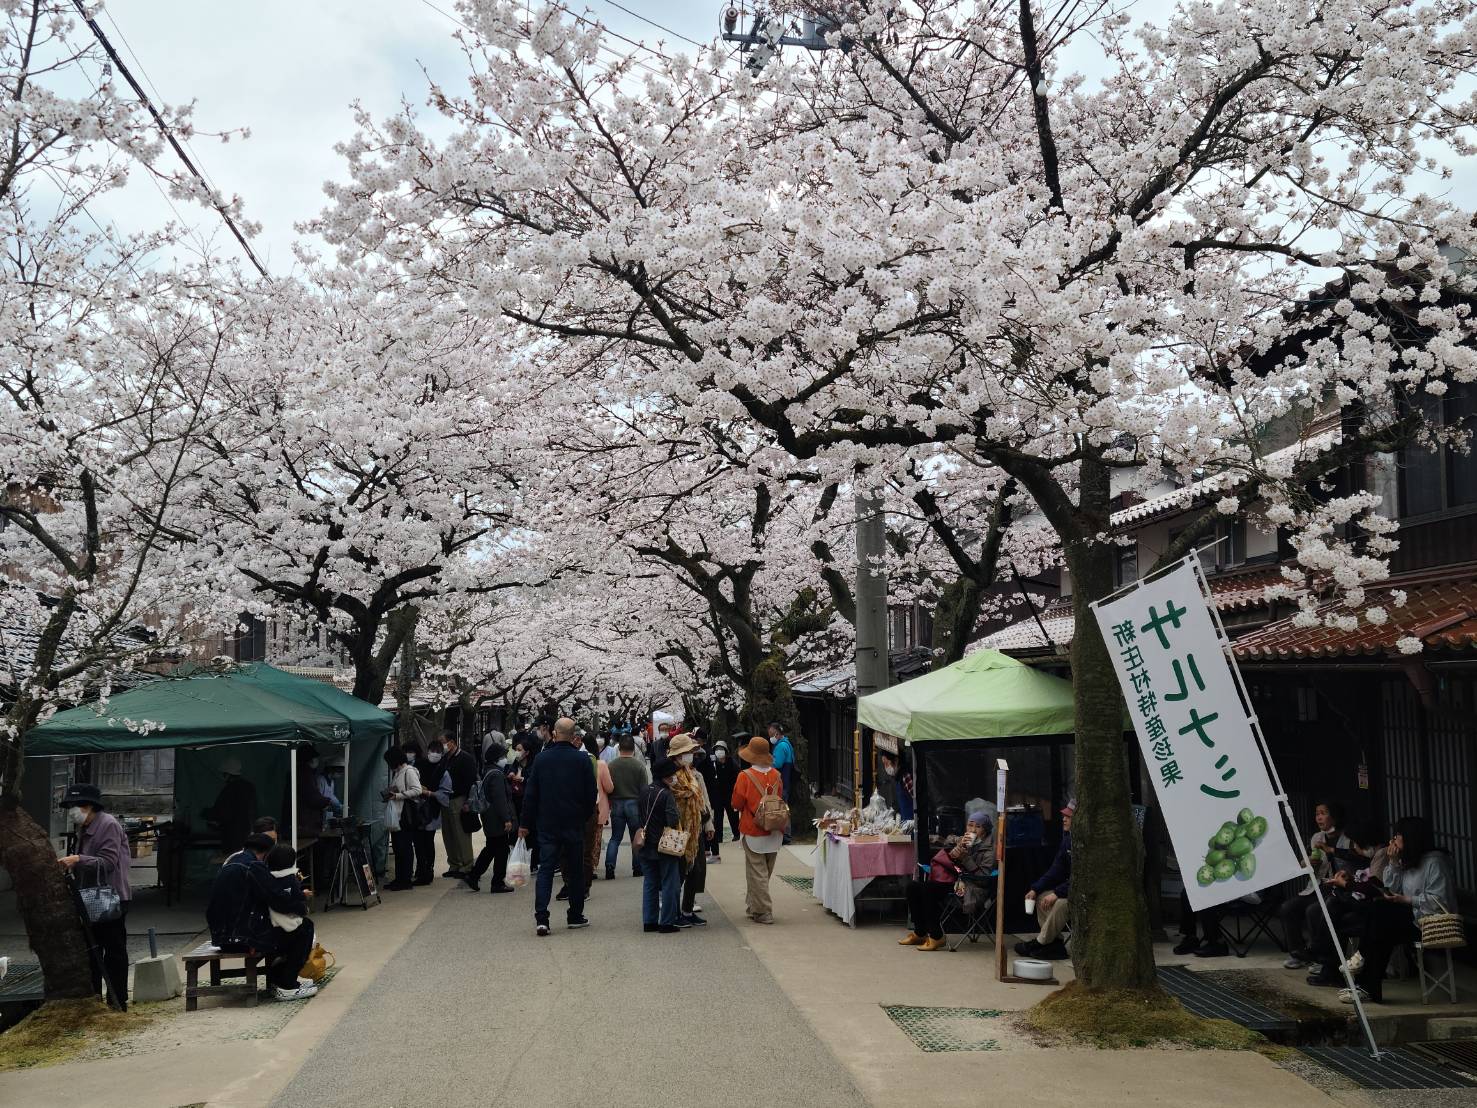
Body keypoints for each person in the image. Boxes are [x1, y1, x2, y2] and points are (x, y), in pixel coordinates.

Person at [1348, 816, 1455, 1004]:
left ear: (1411, 837)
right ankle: (1366, 985)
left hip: (1430, 922)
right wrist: (1393, 863)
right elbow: (1393, 888)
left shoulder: (1435, 862)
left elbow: (1440, 900)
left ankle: (1362, 967)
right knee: (1379, 923)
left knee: (1380, 918)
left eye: (1398, 835)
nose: (1393, 840)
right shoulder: (1408, 860)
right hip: (1411, 917)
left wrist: (1406, 899)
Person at [205, 831, 317, 1001]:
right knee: (305, 928)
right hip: (243, 938)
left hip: (221, 936)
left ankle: (279, 978)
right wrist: (301, 907)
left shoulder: (231, 862)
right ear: (266, 853)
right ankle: (287, 984)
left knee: (286, 929)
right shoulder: (254, 867)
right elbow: (278, 900)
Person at [518, 717, 597, 936]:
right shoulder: (581, 760)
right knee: (575, 869)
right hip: (573, 822)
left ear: (554, 733)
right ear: (574, 736)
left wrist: (525, 823)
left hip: (548, 823)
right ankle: (575, 915)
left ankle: (542, 918)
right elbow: (591, 795)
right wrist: (583, 816)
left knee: (546, 869)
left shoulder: (542, 760)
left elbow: (531, 795)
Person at [56, 784, 132, 1009]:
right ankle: (96, 1002)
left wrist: (78, 859)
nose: (71, 811)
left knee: (113, 951)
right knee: (92, 951)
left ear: (88, 806)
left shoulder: (107, 825)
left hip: (110, 897)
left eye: (74, 806)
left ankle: (117, 1002)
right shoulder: (85, 828)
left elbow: (108, 862)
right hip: (91, 898)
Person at [900, 799, 995, 951]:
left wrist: (966, 859)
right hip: (954, 880)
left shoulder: (989, 851)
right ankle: (920, 932)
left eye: (978, 826)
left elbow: (983, 879)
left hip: (971, 886)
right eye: (970, 825)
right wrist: (956, 848)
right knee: (912, 887)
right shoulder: (966, 840)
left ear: (985, 830)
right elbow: (948, 840)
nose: (973, 829)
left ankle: (937, 936)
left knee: (929, 889)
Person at [1280, 801, 1352, 968]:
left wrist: (1330, 852)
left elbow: (1350, 866)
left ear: (1334, 816)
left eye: (1323, 813)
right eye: (1317, 814)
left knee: (1313, 911)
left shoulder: (1347, 839)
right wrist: (1310, 863)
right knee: (1288, 908)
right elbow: (1311, 865)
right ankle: (1298, 953)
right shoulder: (1316, 837)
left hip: (1338, 889)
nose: (1319, 817)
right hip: (1318, 886)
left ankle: (1321, 957)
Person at [731, 736, 784, 925]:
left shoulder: (745, 776)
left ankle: (763, 911)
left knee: (757, 872)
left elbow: (736, 803)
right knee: (764, 872)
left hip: (753, 828)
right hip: (775, 829)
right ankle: (753, 905)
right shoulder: (777, 775)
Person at [1015, 799, 1074, 960]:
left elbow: (1083, 878)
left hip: (1084, 893)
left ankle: (1041, 942)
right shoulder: (1067, 839)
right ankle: (1054, 944)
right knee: (1042, 897)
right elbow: (1056, 870)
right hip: (1071, 889)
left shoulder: (1087, 844)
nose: (1064, 819)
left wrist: (1057, 892)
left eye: (1069, 816)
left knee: (1061, 903)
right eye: (1064, 816)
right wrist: (1035, 888)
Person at [668, 733, 713, 927]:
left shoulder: (693, 774)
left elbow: (702, 801)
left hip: (695, 829)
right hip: (675, 829)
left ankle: (687, 909)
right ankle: (673, 912)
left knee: (697, 870)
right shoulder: (670, 777)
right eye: (687, 752)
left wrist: (708, 823)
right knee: (676, 873)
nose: (691, 755)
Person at [638, 757, 684, 933]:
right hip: (665, 844)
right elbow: (672, 819)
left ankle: (649, 921)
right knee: (669, 883)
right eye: (672, 774)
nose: (674, 777)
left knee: (650, 882)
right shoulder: (666, 794)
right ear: (665, 776)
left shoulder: (643, 791)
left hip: (645, 843)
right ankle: (667, 922)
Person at [465, 739, 516, 893]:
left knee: (492, 848)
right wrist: (507, 819)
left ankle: (474, 875)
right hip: (497, 819)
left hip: (490, 817)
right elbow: (500, 799)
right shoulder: (496, 775)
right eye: (502, 756)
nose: (505, 759)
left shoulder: (488, 771)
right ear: (496, 758)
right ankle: (497, 882)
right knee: (500, 850)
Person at [605, 735, 651, 879]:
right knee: (635, 837)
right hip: (634, 804)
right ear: (633, 749)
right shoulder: (639, 766)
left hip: (617, 803)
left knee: (615, 838)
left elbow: (608, 787)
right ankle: (637, 868)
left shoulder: (611, 765)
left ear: (619, 748)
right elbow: (644, 790)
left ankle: (610, 867)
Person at [381, 746, 425, 891]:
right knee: (398, 848)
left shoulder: (408, 771)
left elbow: (417, 790)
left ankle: (405, 879)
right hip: (398, 815)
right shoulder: (398, 772)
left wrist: (398, 795)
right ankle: (400, 878)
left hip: (405, 816)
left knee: (404, 848)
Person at [436, 731, 478, 879]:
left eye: (443, 742)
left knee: (461, 833)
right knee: (448, 834)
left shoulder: (465, 758)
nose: (442, 746)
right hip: (445, 798)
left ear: (452, 742)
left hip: (459, 798)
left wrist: (468, 801)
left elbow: (471, 781)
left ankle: (466, 865)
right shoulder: (444, 759)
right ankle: (454, 864)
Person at [205, 756, 257, 856]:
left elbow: (220, 813)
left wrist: (207, 814)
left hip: (232, 838)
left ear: (227, 774)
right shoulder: (249, 787)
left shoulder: (229, 790)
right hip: (248, 834)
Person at [264, 844, 311, 933]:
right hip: (290, 915)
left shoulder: (268, 877)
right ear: (292, 861)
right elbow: (297, 895)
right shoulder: (291, 879)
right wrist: (304, 894)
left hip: (274, 915)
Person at [767, 722, 796, 844]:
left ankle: (784, 835)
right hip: (786, 781)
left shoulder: (781, 746)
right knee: (784, 808)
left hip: (781, 782)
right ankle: (785, 834)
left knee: (781, 808)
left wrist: (766, 761)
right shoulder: (787, 744)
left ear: (777, 733)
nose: (770, 737)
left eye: (771, 734)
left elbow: (776, 764)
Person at [711, 741, 740, 845]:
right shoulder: (712, 764)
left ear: (726, 751)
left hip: (730, 793)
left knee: (733, 815)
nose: (719, 752)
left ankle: (736, 834)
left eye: (721, 749)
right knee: (718, 817)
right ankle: (718, 838)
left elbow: (738, 776)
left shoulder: (732, 762)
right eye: (717, 749)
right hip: (717, 794)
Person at [879, 748, 915, 823]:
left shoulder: (906, 776)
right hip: (905, 821)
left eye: (887, 763)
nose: (885, 767)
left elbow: (917, 800)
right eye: (884, 764)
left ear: (896, 760)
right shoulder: (898, 777)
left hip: (912, 823)